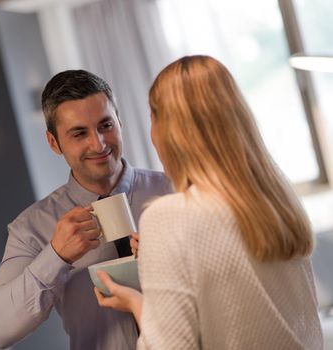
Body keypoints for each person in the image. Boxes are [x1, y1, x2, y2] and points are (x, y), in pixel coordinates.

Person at [94, 55, 323, 349]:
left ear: (169, 130)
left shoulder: (169, 217)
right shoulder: (278, 199)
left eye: (153, 119)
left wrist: (139, 305)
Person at [0, 70, 172, 349]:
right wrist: (56, 255)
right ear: (53, 143)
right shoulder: (31, 228)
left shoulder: (174, 189)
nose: (98, 144)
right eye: (79, 133)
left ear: (120, 122)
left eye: (105, 125)